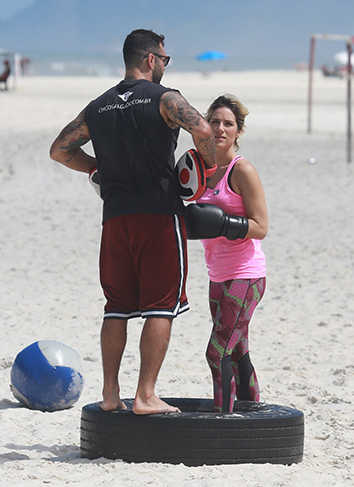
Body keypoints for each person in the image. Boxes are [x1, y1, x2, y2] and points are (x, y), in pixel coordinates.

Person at [49, 29, 218, 415]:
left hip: (115, 219)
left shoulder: (99, 106)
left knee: (117, 306)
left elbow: (59, 150)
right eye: (165, 58)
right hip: (158, 216)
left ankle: (110, 395)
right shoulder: (165, 99)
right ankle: (145, 395)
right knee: (161, 306)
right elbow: (203, 130)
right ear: (150, 59)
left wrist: (98, 170)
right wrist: (205, 169)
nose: (164, 64)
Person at [196, 94, 268, 413]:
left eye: (228, 124)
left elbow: (261, 226)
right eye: (215, 122)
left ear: (238, 131)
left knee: (217, 352)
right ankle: (251, 415)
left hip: (246, 275)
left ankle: (224, 420)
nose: (220, 128)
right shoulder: (200, 169)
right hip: (217, 275)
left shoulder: (242, 170)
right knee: (237, 350)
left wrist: (225, 222)